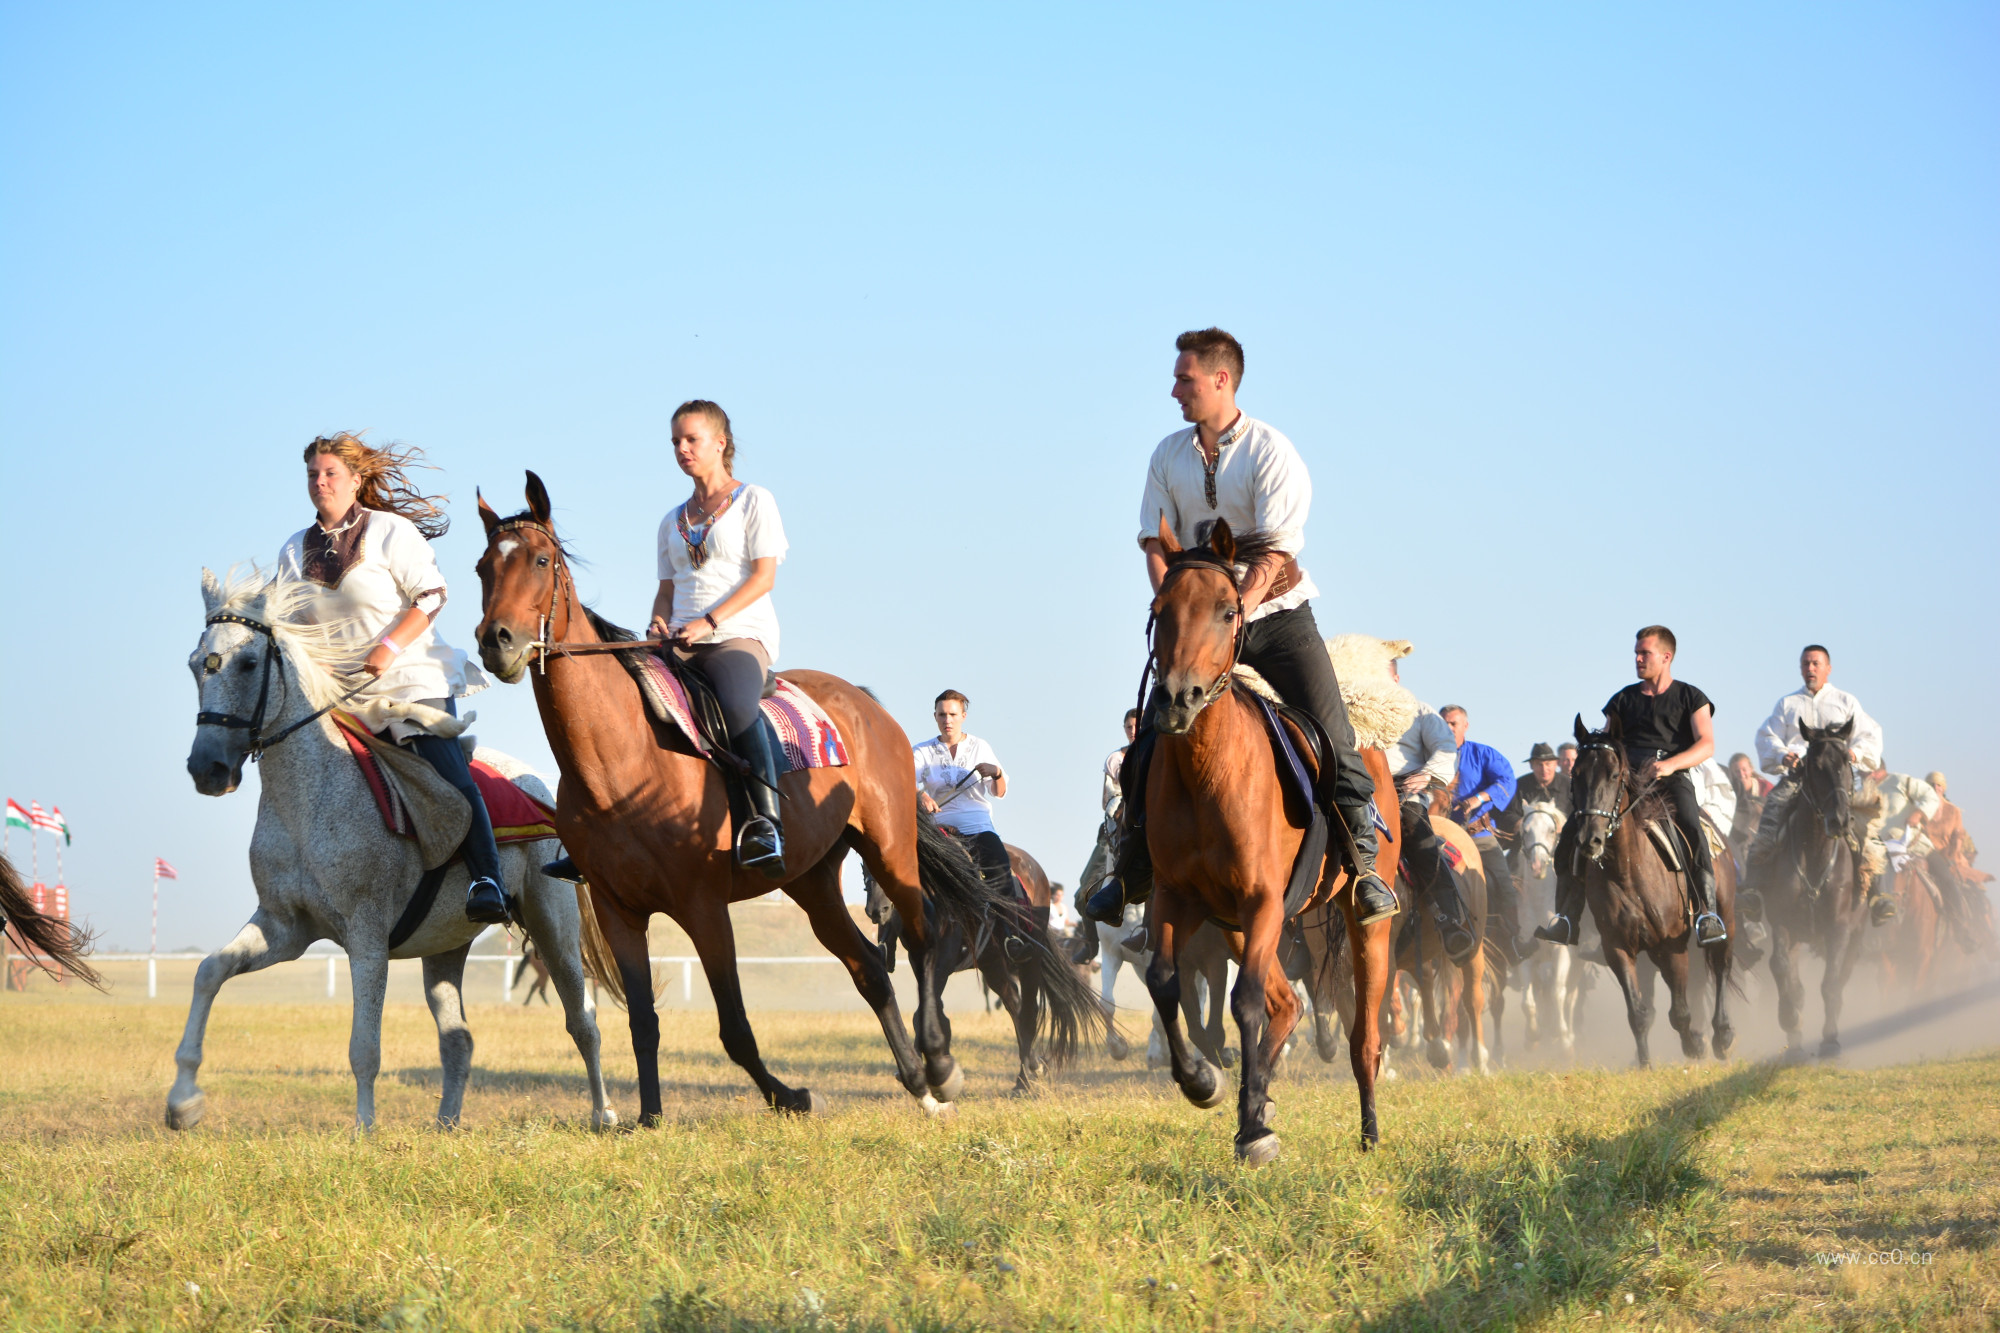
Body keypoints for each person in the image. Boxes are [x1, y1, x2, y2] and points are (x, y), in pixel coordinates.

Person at [1085, 328, 1396, 927]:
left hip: (1275, 618)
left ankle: (1363, 867)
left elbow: (1275, 553)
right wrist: (1177, 607)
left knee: (1333, 734)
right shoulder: (1166, 454)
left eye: (1185, 379)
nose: (1175, 389)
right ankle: (1131, 870)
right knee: (1150, 741)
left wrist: (1240, 608)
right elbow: (1154, 540)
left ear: (1221, 380)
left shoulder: (1271, 452)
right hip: (1198, 622)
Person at [277, 433, 506, 924]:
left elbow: (431, 595)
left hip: (409, 681)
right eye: (313, 475)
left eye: (330, 473)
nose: (320, 482)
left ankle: (489, 878)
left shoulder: (390, 531)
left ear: (356, 480)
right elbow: (288, 628)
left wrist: (387, 647)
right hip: (338, 696)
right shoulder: (293, 550)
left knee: (445, 770)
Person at [652, 401, 792, 877]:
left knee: (734, 704)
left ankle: (766, 824)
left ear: (720, 442)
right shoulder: (671, 519)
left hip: (737, 635)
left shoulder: (755, 499)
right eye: (675, 441)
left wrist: (709, 623)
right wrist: (657, 622)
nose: (682, 449)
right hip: (679, 640)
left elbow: (763, 577)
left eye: (691, 439)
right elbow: (667, 589)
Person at [1536, 625, 1728, 948]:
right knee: (1573, 832)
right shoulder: (1622, 699)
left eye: (1645, 653)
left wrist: (1669, 764)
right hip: (1624, 780)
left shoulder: (1691, 697)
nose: (1638, 659)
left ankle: (1706, 914)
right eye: (1636, 653)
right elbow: (1610, 739)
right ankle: (1568, 917)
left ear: (1666, 657)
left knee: (1693, 827)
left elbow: (1706, 744)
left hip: (1671, 778)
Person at [1744, 644, 1884, 917]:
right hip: (1798, 778)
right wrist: (1783, 756)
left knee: (1865, 830)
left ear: (1828, 669)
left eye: (1815, 663)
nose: (1810, 668)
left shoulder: (1847, 702)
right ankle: (1753, 889)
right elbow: (1766, 736)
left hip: (1836, 782)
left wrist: (1854, 753)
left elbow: (1871, 735)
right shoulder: (1787, 704)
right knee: (1771, 815)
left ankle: (1877, 896)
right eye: (1805, 663)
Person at [1385, 665, 1477, 963]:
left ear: (1396, 678)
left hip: (1404, 795)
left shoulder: (1420, 712)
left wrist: (1426, 775)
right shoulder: (1351, 709)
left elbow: (1445, 748)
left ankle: (1449, 921)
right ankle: (1298, 934)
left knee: (1420, 841)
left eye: (1381, 674)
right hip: (1358, 795)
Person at [1439, 706, 1536, 963]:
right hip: (1441, 836)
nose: (1448, 728)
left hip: (1478, 836)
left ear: (1465, 725)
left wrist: (1479, 798)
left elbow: (1507, 779)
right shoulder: (1433, 756)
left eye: (1453, 723)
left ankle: (1516, 941)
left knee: (1505, 886)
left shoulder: (1482, 754)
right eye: (1444, 723)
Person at [1070, 708, 1140, 964]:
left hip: (1145, 828)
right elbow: (1104, 799)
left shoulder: (1154, 751)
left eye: (1137, 726)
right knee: (1084, 887)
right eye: (1129, 727)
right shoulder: (1115, 758)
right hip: (1114, 828)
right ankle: (1091, 944)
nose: (1133, 731)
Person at [1851, 767, 1941, 927]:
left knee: (1947, 878)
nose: (1859, 775)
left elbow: (1931, 796)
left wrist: (1919, 814)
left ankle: (1962, 925)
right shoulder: (1861, 794)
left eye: (1863, 772)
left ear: (1876, 770)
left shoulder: (1901, 781)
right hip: (1880, 854)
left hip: (1915, 847)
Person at [1726, 752, 1770, 868]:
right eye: (1736, 771)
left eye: (1744, 769)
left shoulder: (1766, 788)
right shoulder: (1728, 791)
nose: (1741, 774)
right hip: (1739, 837)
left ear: (1751, 769)